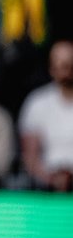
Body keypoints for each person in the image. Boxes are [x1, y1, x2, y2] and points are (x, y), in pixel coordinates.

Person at [19, 40, 73, 192]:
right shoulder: (37, 103)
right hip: (45, 186)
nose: (67, 71)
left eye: (70, 64)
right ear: (51, 68)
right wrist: (51, 179)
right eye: (61, 65)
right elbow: (30, 157)